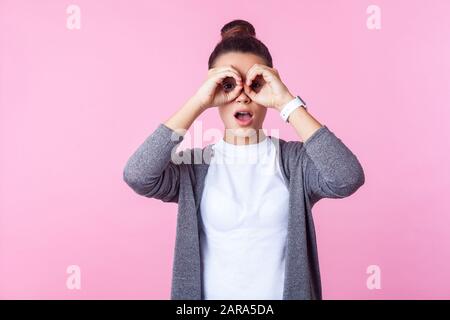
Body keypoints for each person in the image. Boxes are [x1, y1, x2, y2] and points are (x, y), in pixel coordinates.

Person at [123, 19, 365, 300]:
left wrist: (286, 102)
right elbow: (138, 175)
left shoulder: (296, 162)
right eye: (228, 84)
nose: (242, 97)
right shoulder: (194, 167)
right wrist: (197, 102)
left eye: (255, 84)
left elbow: (347, 178)